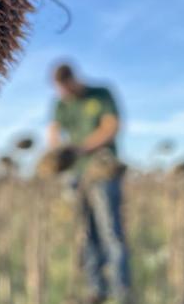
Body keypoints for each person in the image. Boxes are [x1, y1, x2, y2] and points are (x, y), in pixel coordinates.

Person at [47, 62, 131, 304]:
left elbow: (111, 127)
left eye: (66, 88)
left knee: (110, 231)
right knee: (87, 232)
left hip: (103, 172)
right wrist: (57, 154)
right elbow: (53, 131)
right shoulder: (61, 103)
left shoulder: (101, 94)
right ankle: (97, 291)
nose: (64, 94)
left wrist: (82, 148)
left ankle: (120, 291)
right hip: (77, 176)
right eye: (60, 90)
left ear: (74, 79)